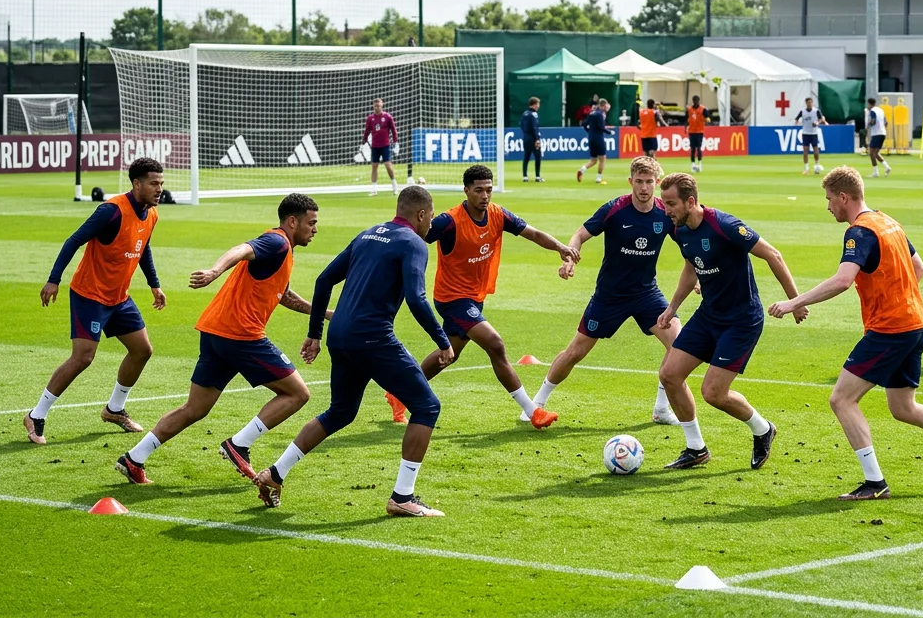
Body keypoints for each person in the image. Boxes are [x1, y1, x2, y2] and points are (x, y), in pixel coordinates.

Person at [769, 167, 923, 500]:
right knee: (903, 407)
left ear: (843, 197)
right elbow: (918, 268)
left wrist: (795, 302)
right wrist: (896, 296)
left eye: (829, 199)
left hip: (891, 329)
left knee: (841, 399)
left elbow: (842, 280)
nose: (828, 206)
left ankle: (875, 482)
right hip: (915, 323)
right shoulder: (888, 222)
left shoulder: (859, 232)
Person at [252, 186, 454, 516]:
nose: (431, 223)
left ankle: (275, 474)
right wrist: (442, 341)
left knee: (341, 412)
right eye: (431, 216)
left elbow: (323, 280)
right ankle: (402, 498)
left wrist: (315, 333)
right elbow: (417, 299)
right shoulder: (414, 243)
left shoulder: (368, 234)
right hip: (373, 337)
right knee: (427, 406)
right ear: (420, 214)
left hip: (340, 335)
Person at [115, 194, 325, 485]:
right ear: (293, 221)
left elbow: (284, 295)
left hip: (216, 333)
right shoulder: (276, 242)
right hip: (241, 335)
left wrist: (325, 313)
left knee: (195, 409)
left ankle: (133, 458)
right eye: (311, 223)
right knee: (298, 394)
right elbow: (242, 249)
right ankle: (239, 444)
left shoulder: (283, 251)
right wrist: (215, 271)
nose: (315, 229)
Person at [394, 164, 578, 426]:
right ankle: (532, 411)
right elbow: (413, 233)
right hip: (452, 298)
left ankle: (399, 394)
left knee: (449, 354)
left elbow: (532, 233)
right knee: (496, 344)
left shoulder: (497, 214)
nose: (485, 195)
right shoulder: (449, 221)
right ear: (466, 190)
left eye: (488, 190)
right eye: (478, 190)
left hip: (474, 297)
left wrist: (560, 247)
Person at [655, 172, 804, 470]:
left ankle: (763, 429)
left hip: (741, 320)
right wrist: (672, 308)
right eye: (665, 202)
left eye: (671, 203)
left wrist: (795, 302)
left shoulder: (725, 226)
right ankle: (696, 448)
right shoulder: (680, 229)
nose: (666, 209)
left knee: (713, 393)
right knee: (669, 375)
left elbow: (773, 255)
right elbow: (691, 266)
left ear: (691, 201)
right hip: (709, 315)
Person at [27, 157, 166, 445]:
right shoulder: (111, 211)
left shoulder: (151, 214)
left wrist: (155, 285)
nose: (159, 189)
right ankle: (36, 415)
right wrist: (54, 279)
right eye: (154, 183)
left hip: (119, 298)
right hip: (89, 295)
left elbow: (143, 248)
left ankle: (114, 409)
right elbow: (74, 240)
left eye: (161, 183)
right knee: (83, 357)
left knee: (142, 351)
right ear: (136, 184)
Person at [531, 156, 680, 424]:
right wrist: (569, 258)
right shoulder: (615, 209)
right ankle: (536, 404)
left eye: (649, 182)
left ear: (657, 183)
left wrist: (699, 277)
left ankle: (661, 408)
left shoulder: (665, 214)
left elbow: (688, 244)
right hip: (610, 296)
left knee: (678, 344)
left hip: (647, 294)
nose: (644, 188)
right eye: (639, 182)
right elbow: (580, 235)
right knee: (575, 352)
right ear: (630, 182)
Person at [364, 98, 400, 196]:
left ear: (382, 105)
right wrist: (363, 142)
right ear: (373, 106)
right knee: (374, 166)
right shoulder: (370, 118)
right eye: (375, 106)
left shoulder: (387, 117)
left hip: (385, 145)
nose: (377, 108)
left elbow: (393, 129)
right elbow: (367, 131)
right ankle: (374, 189)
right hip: (375, 145)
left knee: (388, 165)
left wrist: (396, 142)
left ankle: (394, 185)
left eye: (379, 106)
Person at [577, 99, 615, 184]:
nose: (606, 108)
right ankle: (598, 178)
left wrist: (589, 132)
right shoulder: (600, 114)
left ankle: (582, 169)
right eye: (605, 106)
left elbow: (584, 124)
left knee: (593, 160)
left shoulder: (592, 113)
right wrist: (609, 132)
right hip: (599, 139)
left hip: (591, 138)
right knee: (602, 159)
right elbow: (601, 127)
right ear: (602, 106)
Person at [795, 96, 828, 175]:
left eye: (810, 102)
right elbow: (797, 118)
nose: (809, 104)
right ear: (806, 103)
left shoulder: (816, 111)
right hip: (805, 133)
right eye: (808, 102)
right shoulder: (802, 111)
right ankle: (806, 168)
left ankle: (816, 165)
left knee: (815, 149)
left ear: (812, 103)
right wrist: (797, 122)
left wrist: (817, 123)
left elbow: (821, 119)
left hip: (814, 133)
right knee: (805, 150)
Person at [865, 97, 891, 178]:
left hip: (876, 133)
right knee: (875, 153)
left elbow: (873, 121)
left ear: (869, 104)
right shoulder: (881, 110)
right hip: (882, 133)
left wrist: (868, 125)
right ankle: (887, 167)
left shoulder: (872, 111)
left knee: (871, 152)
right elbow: (886, 122)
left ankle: (876, 172)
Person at [520, 96, 544, 183]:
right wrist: (537, 139)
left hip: (526, 137)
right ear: (534, 104)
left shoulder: (524, 114)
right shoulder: (534, 114)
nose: (539, 106)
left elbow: (521, 125)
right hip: (533, 138)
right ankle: (537, 176)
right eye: (538, 104)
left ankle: (525, 176)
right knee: (538, 156)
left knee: (526, 157)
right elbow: (535, 128)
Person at [686, 95, 707, 172]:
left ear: (699, 101)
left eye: (697, 101)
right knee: (692, 149)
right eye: (694, 101)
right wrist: (686, 127)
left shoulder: (703, 109)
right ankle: (693, 165)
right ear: (693, 101)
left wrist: (707, 120)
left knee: (699, 148)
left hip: (699, 131)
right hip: (691, 131)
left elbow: (707, 117)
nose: (696, 102)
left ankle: (700, 164)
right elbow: (687, 119)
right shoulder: (689, 109)